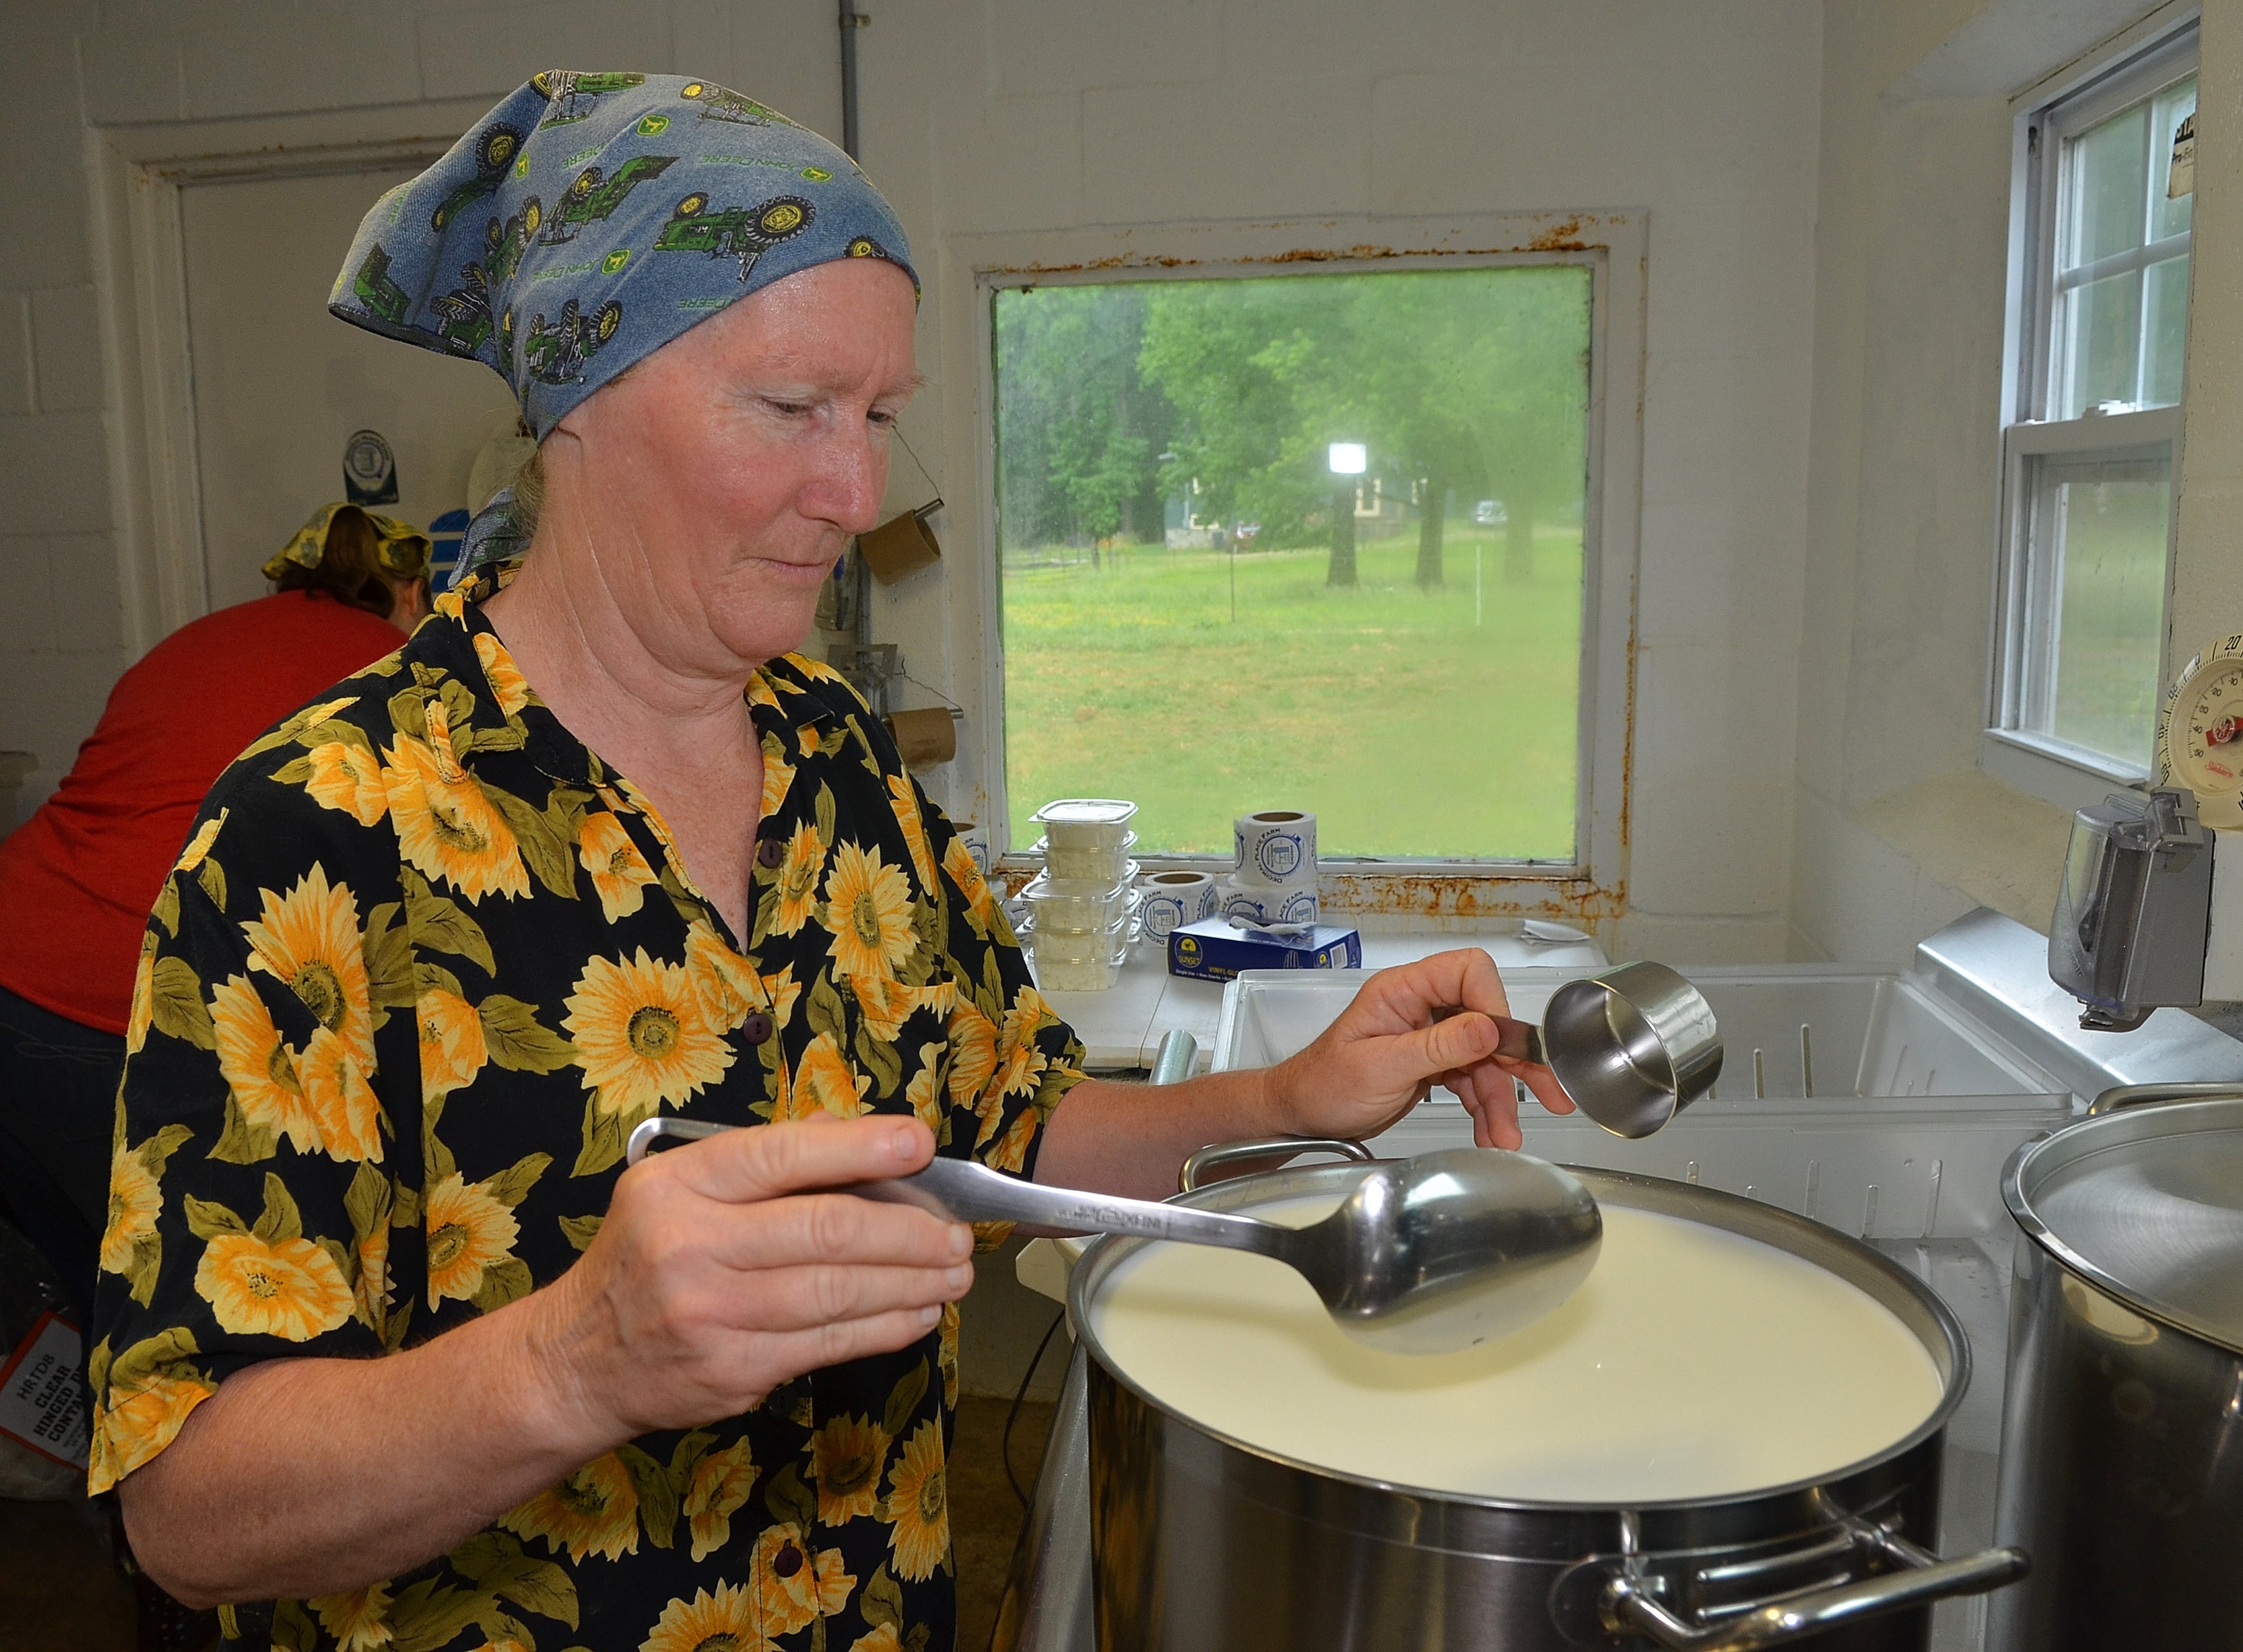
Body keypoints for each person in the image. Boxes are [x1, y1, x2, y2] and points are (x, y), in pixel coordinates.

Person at [88, 74, 1571, 1652]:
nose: (856, 496)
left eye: (875, 415)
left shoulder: (835, 754)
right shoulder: (313, 833)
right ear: (581, 400)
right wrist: (579, 1359)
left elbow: (1012, 1126)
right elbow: (188, 1509)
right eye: (790, 409)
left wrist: (1282, 1100)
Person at [0, 504, 430, 1323]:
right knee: (185, 1314)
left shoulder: (201, 636)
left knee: (85, 1300)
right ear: (410, 591)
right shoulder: (395, 668)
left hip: (12, 955)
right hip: (112, 1007)